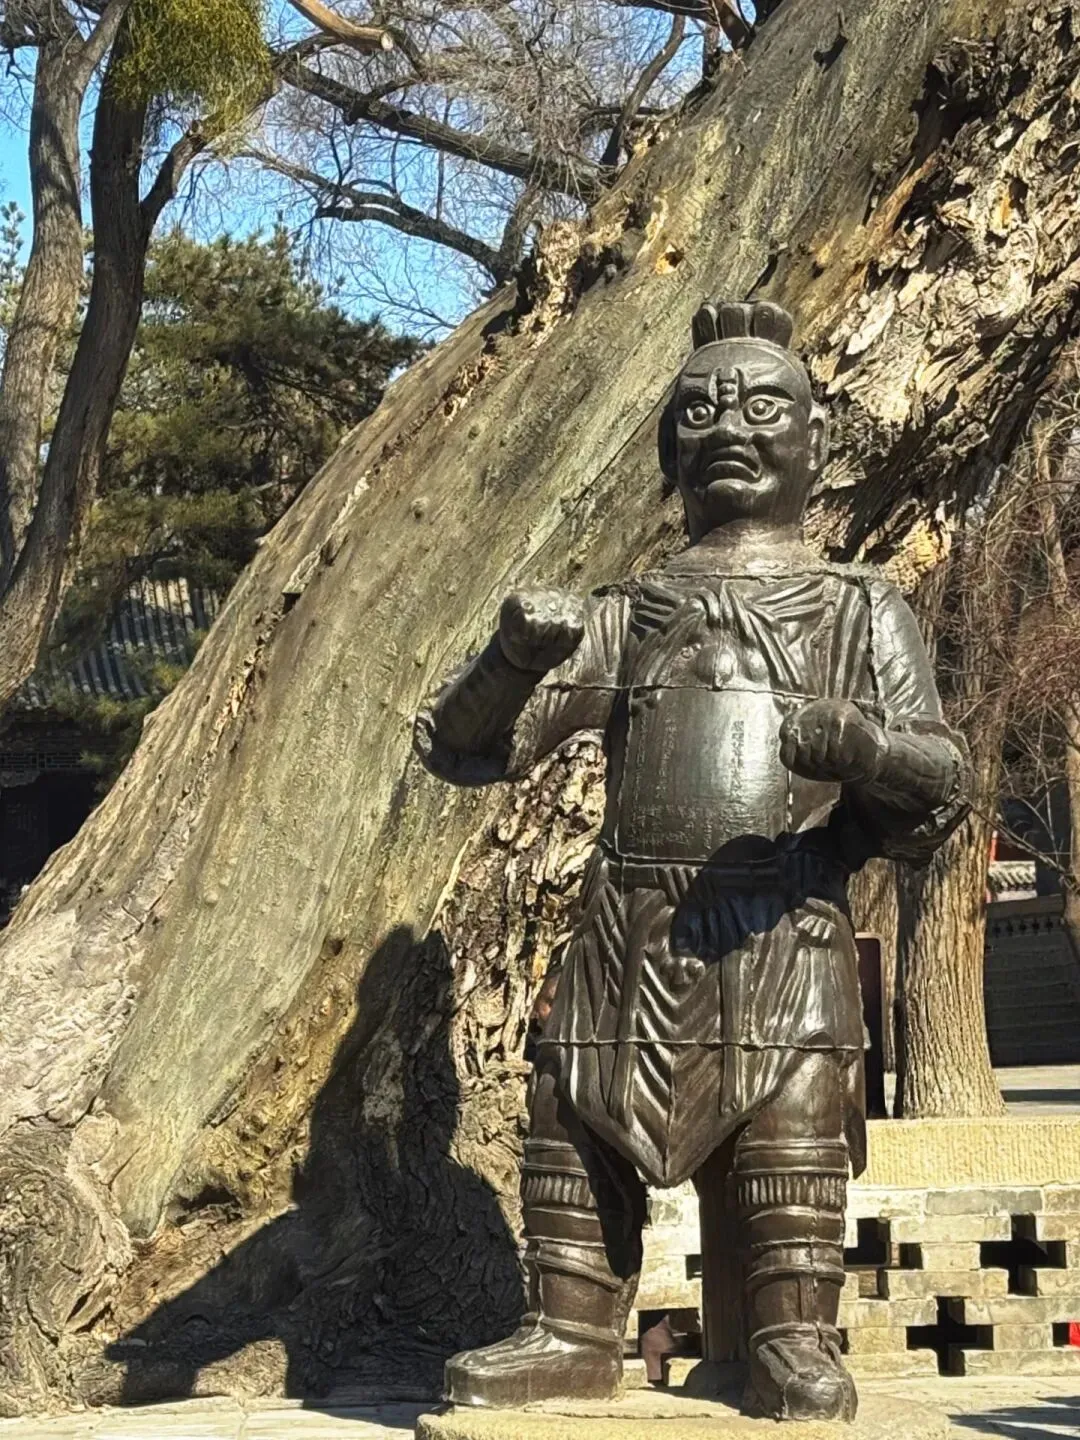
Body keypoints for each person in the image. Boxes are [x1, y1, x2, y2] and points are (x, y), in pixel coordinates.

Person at [415, 298, 967, 1422]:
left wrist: (865, 748)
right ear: (670, 447)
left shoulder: (860, 606)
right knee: (572, 1105)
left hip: (785, 924)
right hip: (629, 927)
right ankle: (570, 1327)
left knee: (793, 1118)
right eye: (701, 410)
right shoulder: (629, 611)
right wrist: (511, 658)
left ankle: (790, 1333)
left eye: (763, 407)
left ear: (814, 440)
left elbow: (942, 775)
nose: (730, 429)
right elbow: (467, 744)